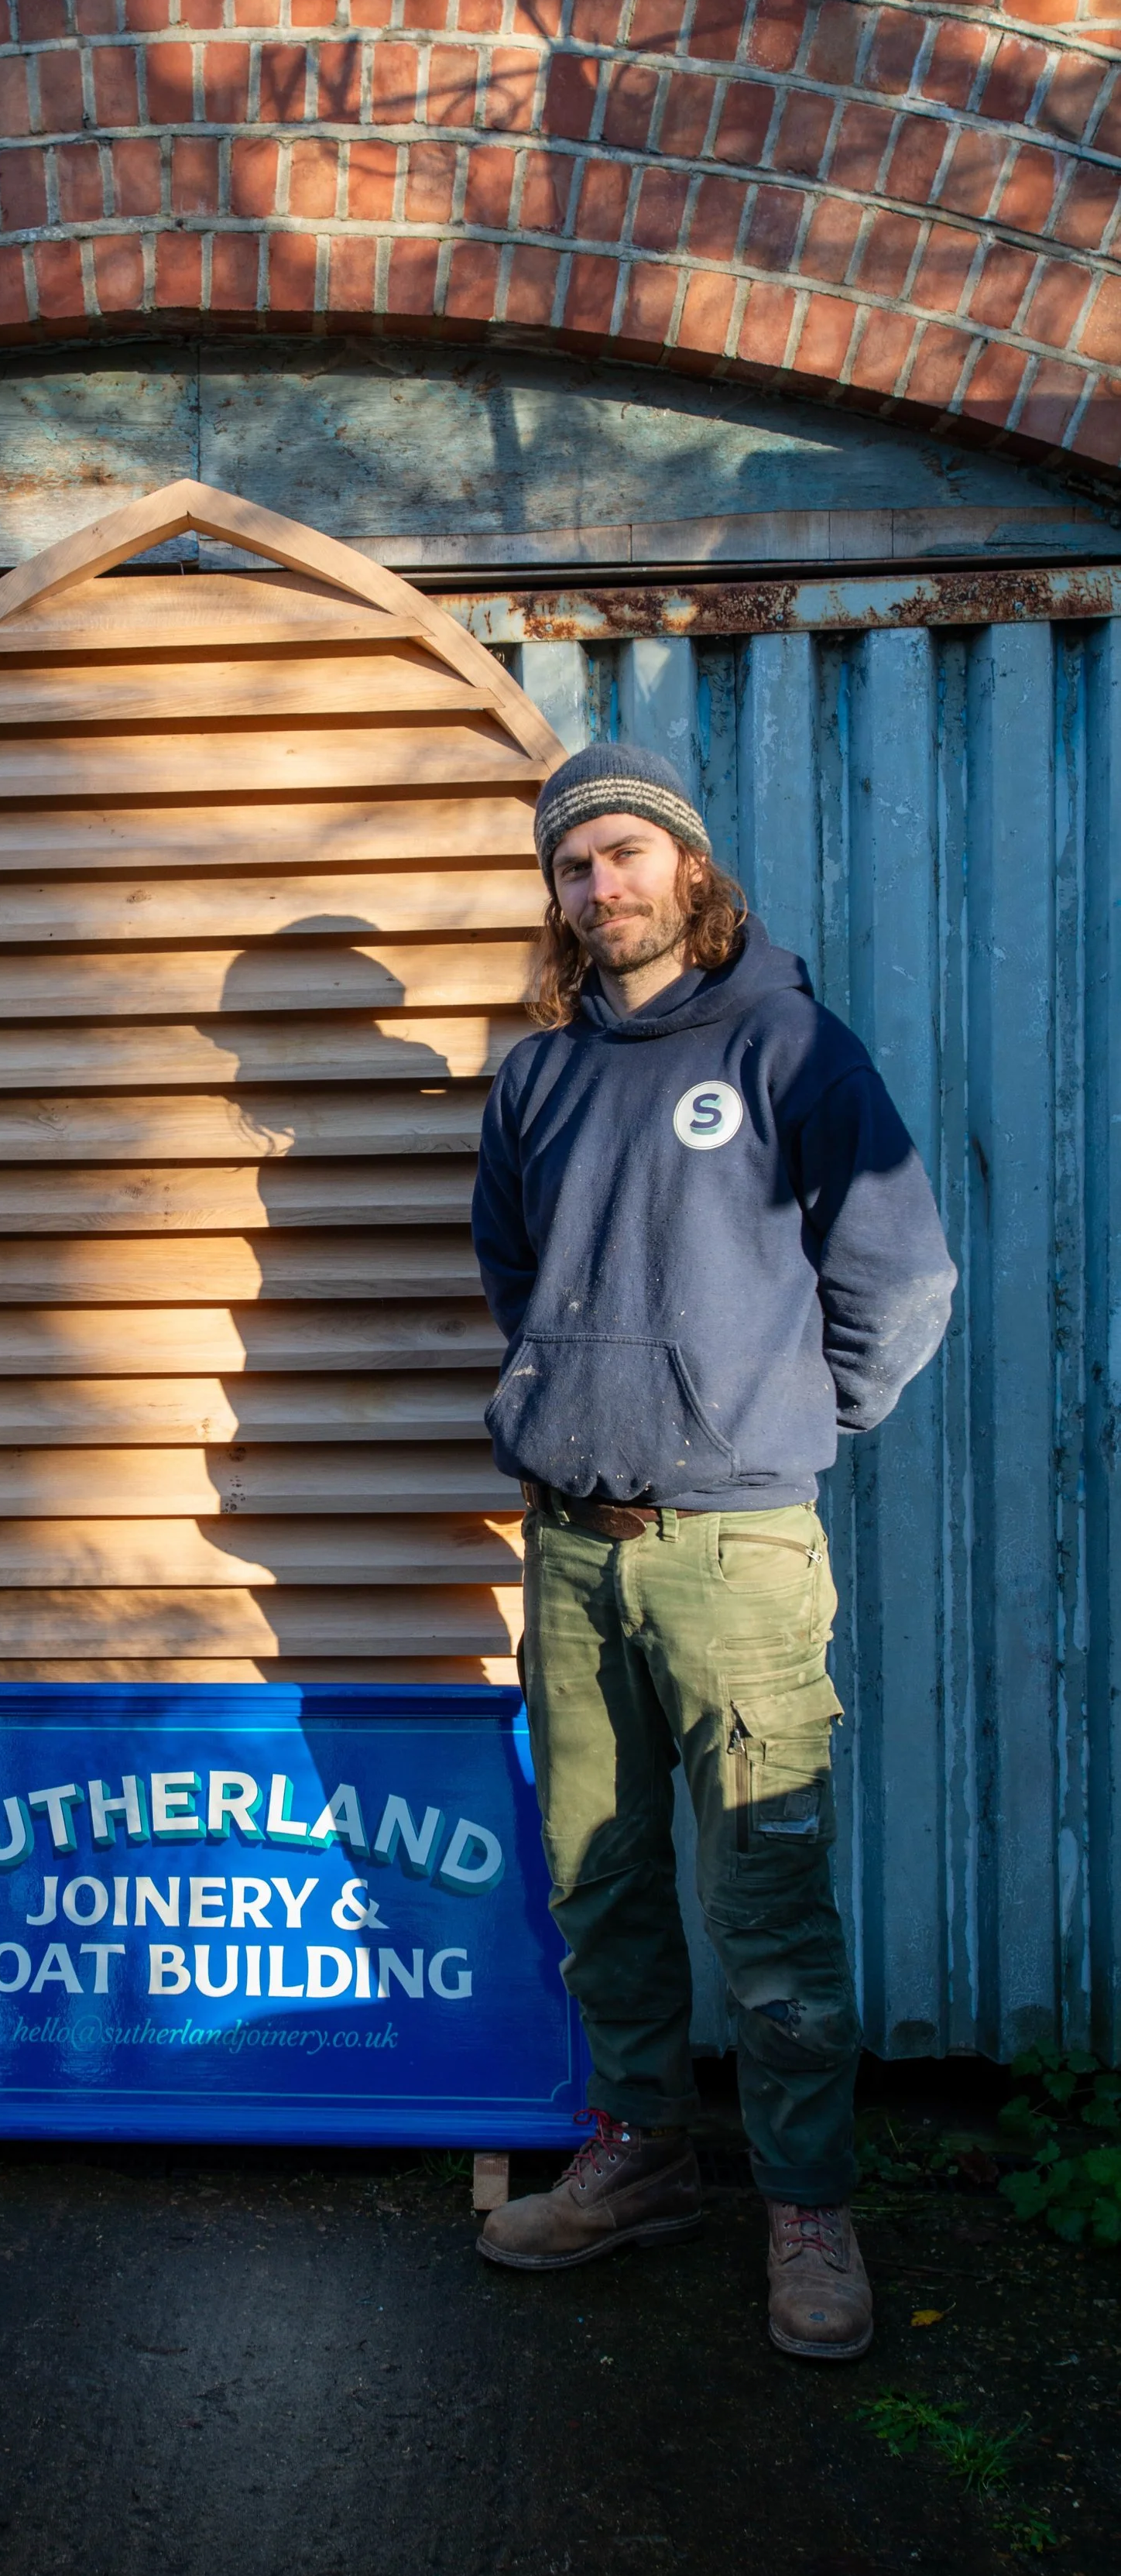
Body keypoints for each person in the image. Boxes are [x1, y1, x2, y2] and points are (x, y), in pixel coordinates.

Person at [471, 739, 956, 2361]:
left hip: (735, 1546)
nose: (596, 884)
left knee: (763, 1887)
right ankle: (636, 2153)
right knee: (592, 1875)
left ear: (686, 865)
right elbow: (513, 1266)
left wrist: (787, 1424)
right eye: (568, 863)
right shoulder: (533, 1074)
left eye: (620, 851)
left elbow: (895, 1275)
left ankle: (804, 2201)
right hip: (568, 1547)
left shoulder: (787, 1045)